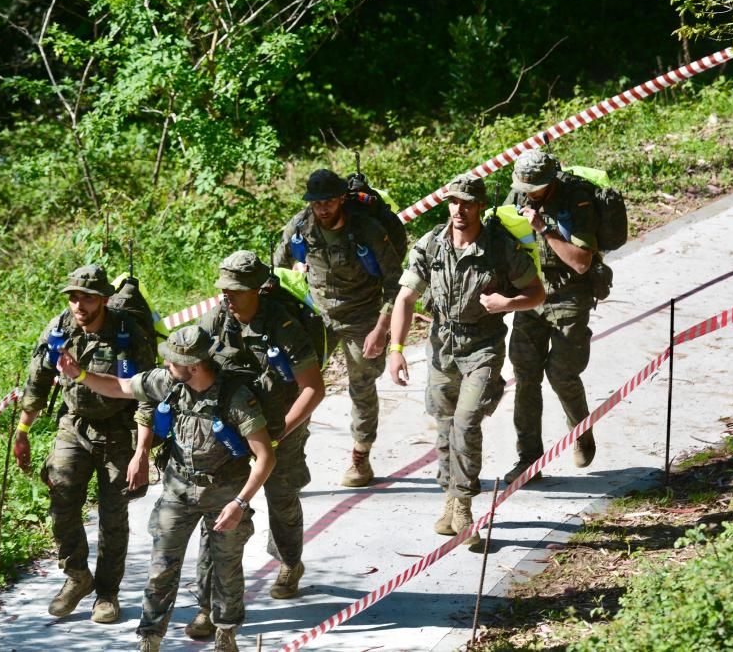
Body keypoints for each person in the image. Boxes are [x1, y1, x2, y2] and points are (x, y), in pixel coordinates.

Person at [63, 325, 276, 652]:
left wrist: (240, 503)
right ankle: (149, 639)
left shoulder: (235, 398)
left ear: (194, 366)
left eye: (173, 362)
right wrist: (79, 375)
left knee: (226, 571)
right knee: (161, 568)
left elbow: (265, 457)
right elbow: (121, 386)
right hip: (178, 489)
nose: (166, 366)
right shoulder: (168, 383)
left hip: (225, 494)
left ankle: (225, 634)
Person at [388, 174, 544, 547]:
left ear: (479, 207)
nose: (460, 210)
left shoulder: (500, 248)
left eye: (468, 203)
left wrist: (508, 304)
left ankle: (464, 505)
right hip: (442, 347)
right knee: (444, 426)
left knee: (466, 422)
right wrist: (396, 350)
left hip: (483, 347)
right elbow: (406, 299)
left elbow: (536, 293)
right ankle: (451, 497)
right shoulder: (431, 245)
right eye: (454, 202)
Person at [180, 250, 324, 639]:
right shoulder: (216, 320)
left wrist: (279, 436)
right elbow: (188, 367)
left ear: (257, 289)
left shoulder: (284, 325)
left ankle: (289, 560)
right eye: (224, 288)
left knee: (281, 495)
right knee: (219, 513)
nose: (228, 296)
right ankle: (209, 606)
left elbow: (313, 388)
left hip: (280, 424)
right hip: (230, 430)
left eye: (237, 290)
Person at [13, 265, 155, 622]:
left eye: (87, 297)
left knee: (112, 515)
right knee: (60, 498)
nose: (79, 304)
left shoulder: (128, 332)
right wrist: (23, 432)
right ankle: (77, 576)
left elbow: (148, 395)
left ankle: (107, 594)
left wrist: (142, 452)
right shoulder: (60, 328)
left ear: (104, 299)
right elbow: (38, 378)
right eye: (74, 296)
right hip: (73, 426)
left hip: (119, 431)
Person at [275, 168, 402, 487]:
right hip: (316, 317)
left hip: (363, 316)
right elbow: (276, 269)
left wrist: (381, 327)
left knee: (361, 387)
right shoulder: (300, 226)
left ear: (341, 199)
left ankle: (361, 457)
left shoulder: (367, 230)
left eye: (329, 201)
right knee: (297, 386)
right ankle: (291, 461)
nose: (323, 209)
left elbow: (395, 282)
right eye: (317, 202)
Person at [503, 150, 600, 484]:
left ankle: (581, 430)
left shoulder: (577, 200)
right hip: (532, 293)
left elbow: (581, 262)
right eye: (523, 186)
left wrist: (544, 228)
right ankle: (529, 459)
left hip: (569, 294)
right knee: (525, 375)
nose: (527, 193)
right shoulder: (518, 192)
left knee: (562, 373)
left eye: (536, 187)